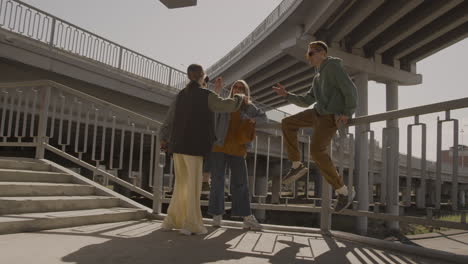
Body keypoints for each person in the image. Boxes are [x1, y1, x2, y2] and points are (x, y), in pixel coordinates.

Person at [159, 64, 247, 235]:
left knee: (181, 185)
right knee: (193, 186)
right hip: (194, 147)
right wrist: (239, 97)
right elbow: (226, 105)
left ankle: (171, 221)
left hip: (177, 146)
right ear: (202, 77)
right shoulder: (206, 95)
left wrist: (163, 137)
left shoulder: (181, 95)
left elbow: (169, 118)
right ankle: (191, 225)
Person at [272, 41, 357, 213]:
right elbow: (307, 100)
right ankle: (296, 165)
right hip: (316, 113)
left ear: (322, 54)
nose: (308, 57)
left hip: (328, 116)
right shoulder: (317, 76)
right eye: (307, 54)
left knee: (317, 152)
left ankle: (343, 192)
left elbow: (350, 89)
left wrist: (347, 112)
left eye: (310, 54)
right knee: (287, 123)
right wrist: (287, 95)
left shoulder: (333, 67)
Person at [208, 79, 267, 230]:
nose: (238, 89)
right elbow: (212, 110)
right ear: (232, 90)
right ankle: (216, 216)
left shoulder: (249, 106)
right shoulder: (226, 103)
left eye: (241, 88)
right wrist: (216, 92)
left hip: (239, 149)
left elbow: (264, 119)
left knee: (241, 184)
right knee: (217, 183)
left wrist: (253, 119)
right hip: (219, 148)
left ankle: (247, 217)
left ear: (246, 91)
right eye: (236, 87)